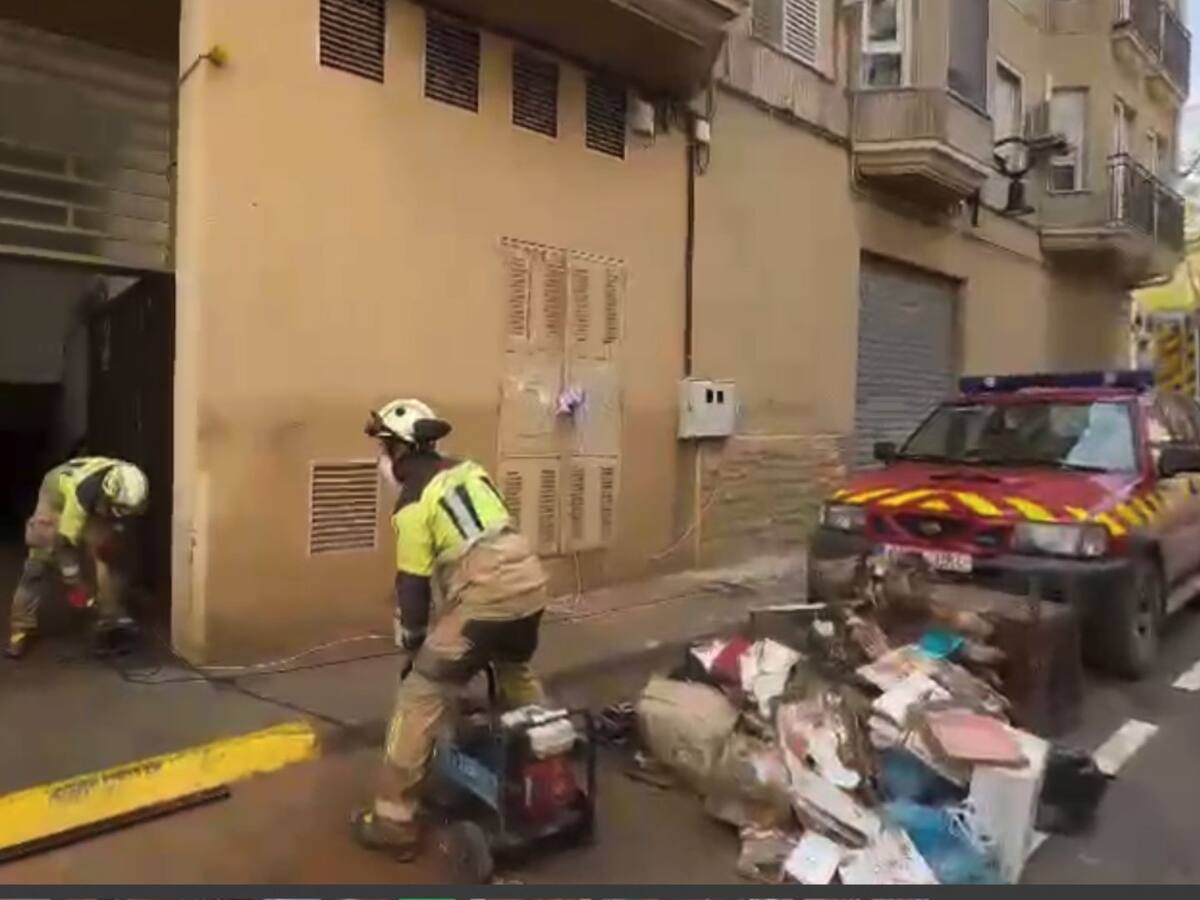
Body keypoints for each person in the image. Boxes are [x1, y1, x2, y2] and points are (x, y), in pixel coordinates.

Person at [354, 399, 549, 860]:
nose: (382, 458)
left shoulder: (412, 504)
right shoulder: (468, 470)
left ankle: (393, 821)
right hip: (529, 585)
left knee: (422, 690)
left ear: (400, 450)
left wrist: (415, 645)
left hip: (486, 597)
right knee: (513, 668)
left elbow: (413, 588)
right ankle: (546, 761)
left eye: (384, 447)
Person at [5, 456, 148, 659]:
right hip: (56, 496)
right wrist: (74, 580)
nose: (118, 514)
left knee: (106, 551)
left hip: (96, 500)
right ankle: (19, 631)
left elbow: (116, 518)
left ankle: (109, 615)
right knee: (39, 563)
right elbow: (65, 544)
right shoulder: (81, 495)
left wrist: (109, 536)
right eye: (115, 510)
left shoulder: (126, 481)